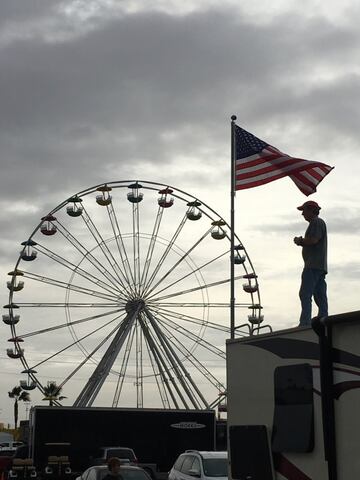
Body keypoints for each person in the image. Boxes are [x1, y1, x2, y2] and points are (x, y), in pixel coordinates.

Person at [293, 200, 328, 326]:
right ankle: (324, 319)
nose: (302, 214)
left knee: (305, 294)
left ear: (311, 210)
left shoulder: (316, 222)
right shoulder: (319, 223)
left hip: (312, 265)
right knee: (319, 294)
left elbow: (313, 240)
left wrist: (300, 241)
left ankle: (305, 322)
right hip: (319, 266)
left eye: (304, 210)